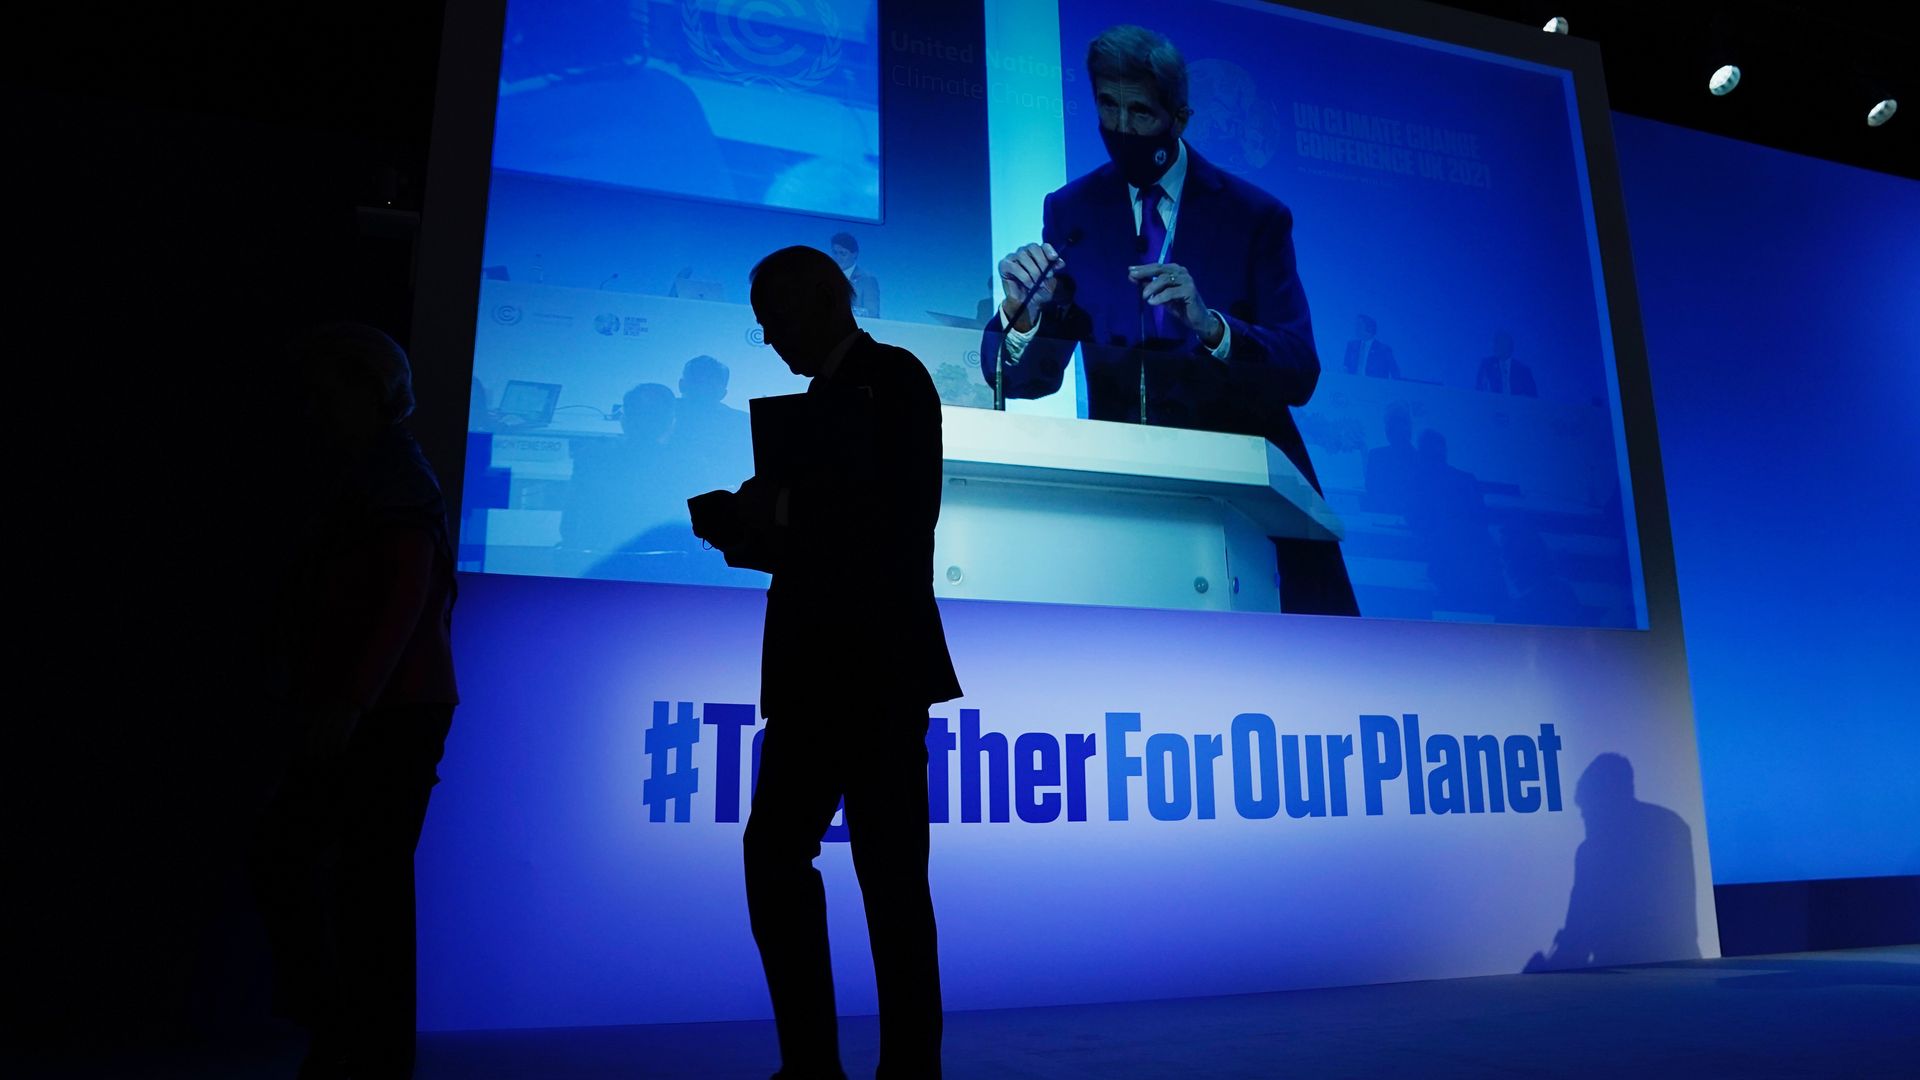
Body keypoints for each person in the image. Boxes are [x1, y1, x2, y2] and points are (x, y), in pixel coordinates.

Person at [693, 245, 961, 1078]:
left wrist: (772, 507)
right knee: (826, 865)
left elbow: (899, 516)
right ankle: (827, 1064)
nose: (769, 339)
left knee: (879, 878)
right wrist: (748, 527)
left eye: (772, 320)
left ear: (817, 302)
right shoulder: (831, 395)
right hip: (826, 670)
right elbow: (835, 534)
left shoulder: (894, 377)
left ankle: (879, 1068)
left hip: (870, 670)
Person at [980, 24, 1356, 615]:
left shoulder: (1254, 217)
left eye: (1140, 112)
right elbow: (1030, 379)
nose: (1120, 127)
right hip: (1133, 499)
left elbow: (1300, 368)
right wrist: (1023, 315)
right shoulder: (1073, 210)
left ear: (1179, 118)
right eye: (1107, 106)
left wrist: (1213, 328)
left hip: (1249, 504)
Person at [251, 324, 459, 1080]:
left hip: (386, 710)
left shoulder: (391, 479)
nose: (314, 407)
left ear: (371, 393)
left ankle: (353, 1043)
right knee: (361, 883)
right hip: (382, 705)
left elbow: (401, 600)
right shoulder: (379, 473)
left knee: (351, 880)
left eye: (328, 391)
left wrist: (348, 700)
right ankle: (358, 1045)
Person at [830, 231, 882, 319]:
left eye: (843, 253)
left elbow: (872, 314)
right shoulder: (826, 275)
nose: (837, 257)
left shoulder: (867, 280)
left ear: (854, 254)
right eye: (835, 253)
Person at [1342, 314, 1399, 378]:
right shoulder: (1351, 346)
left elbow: (1394, 372)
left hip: (1374, 383)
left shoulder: (1384, 350)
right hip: (1353, 382)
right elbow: (1346, 367)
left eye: (1359, 325)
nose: (1356, 328)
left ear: (1369, 328)